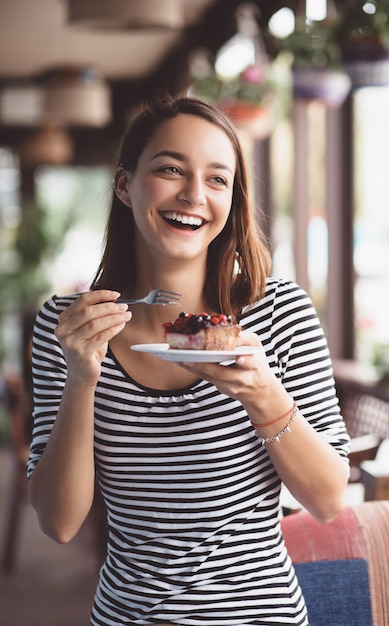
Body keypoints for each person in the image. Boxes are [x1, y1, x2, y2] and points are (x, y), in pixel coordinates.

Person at [27, 95, 350, 626]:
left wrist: (262, 393)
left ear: (232, 199)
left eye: (217, 179)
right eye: (170, 169)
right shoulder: (68, 325)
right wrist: (82, 378)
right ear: (125, 184)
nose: (194, 195)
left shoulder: (278, 312)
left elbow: (329, 499)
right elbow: (60, 524)